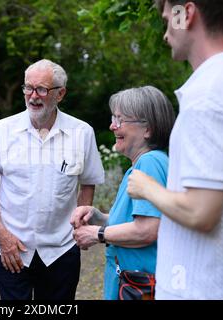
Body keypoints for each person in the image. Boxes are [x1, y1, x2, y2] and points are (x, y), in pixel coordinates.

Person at [127, 0, 223, 299]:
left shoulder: (207, 97)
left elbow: (201, 211)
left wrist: (147, 188)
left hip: (200, 289)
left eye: (166, 18)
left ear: (185, 13)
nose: (165, 33)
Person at [0, 59, 105, 300]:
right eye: (28, 88)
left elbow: (88, 182)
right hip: (12, 250)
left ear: (60, 94)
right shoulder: (2, 130)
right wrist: (0, 232)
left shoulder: (82, 132)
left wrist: (79, 225)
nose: (33, 96)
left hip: (61, 251)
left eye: (41, 89)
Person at [71, 86, 176, 300]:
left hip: (139, 287)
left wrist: (96, 234)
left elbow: (147, 230)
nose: (112, 126)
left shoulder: (150, 163)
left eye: (120, 119)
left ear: (147, 129)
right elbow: (138, 218)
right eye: (113, 118)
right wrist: (98, 217)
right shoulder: (141, 165)